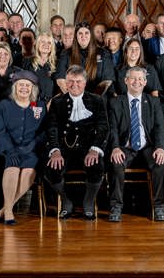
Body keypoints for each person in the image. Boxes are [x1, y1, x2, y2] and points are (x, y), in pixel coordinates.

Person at [46, 65, 109, 220]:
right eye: (71, 81)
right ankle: (67, 203)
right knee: (51, 169)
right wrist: (55, 150)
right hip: (63, 149)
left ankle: (88, 202)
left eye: (78, 81)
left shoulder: (97, 100)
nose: (74, 85)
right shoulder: (57, 102)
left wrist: (95, 149)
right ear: (66, 83)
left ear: (85, 83)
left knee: (97, 166)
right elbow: (52, 128)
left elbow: (103, 127)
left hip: (88, 148)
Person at [108, 67, 164, 222]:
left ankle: (159, 205)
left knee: (160, 162)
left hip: (148, 147)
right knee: (116, 163)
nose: (137, 82)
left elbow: (160, 127)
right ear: (126, 81)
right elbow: (112, 128)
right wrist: (114, 148)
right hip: (125, 147)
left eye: (140, 79)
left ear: (145, 82)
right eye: (133, 78)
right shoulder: (116, 102)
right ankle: (116, 206)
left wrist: (160, 147)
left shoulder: (153, 102)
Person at [0, 70, 47, 225]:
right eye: (21, 85)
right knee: (13, 168)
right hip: (9, 149)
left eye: (28, 85)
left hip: (31, 150)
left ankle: (4, 209)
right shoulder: (5, 105)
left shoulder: (40, 106)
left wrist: (33, 145)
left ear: (33, 88)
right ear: (15, 87)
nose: (24, 88)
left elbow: (44, 130)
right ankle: (9, 212)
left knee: (29, 171)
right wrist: (9, 150)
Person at [55, 22, 115, 94]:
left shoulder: (104, 53)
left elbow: (107, 81)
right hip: (72, 97)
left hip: (97, 98)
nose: (83, 36)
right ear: (76, 36)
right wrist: (73, 96)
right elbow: (61, 80)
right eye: (80, 33)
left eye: (86, 33)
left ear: (91, 35)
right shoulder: (66, 53)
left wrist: (92, 99)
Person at [24, 32, 58, 104]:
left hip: (51, 104)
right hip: (32, 103)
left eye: (49, 43)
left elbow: (59, 87)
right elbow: (24, 84)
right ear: (37, 44)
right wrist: (32, 103)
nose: (46, 45)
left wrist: (52, 102)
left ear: (52, 46)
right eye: (43, 42)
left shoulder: (57, 63)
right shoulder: (27, 62)